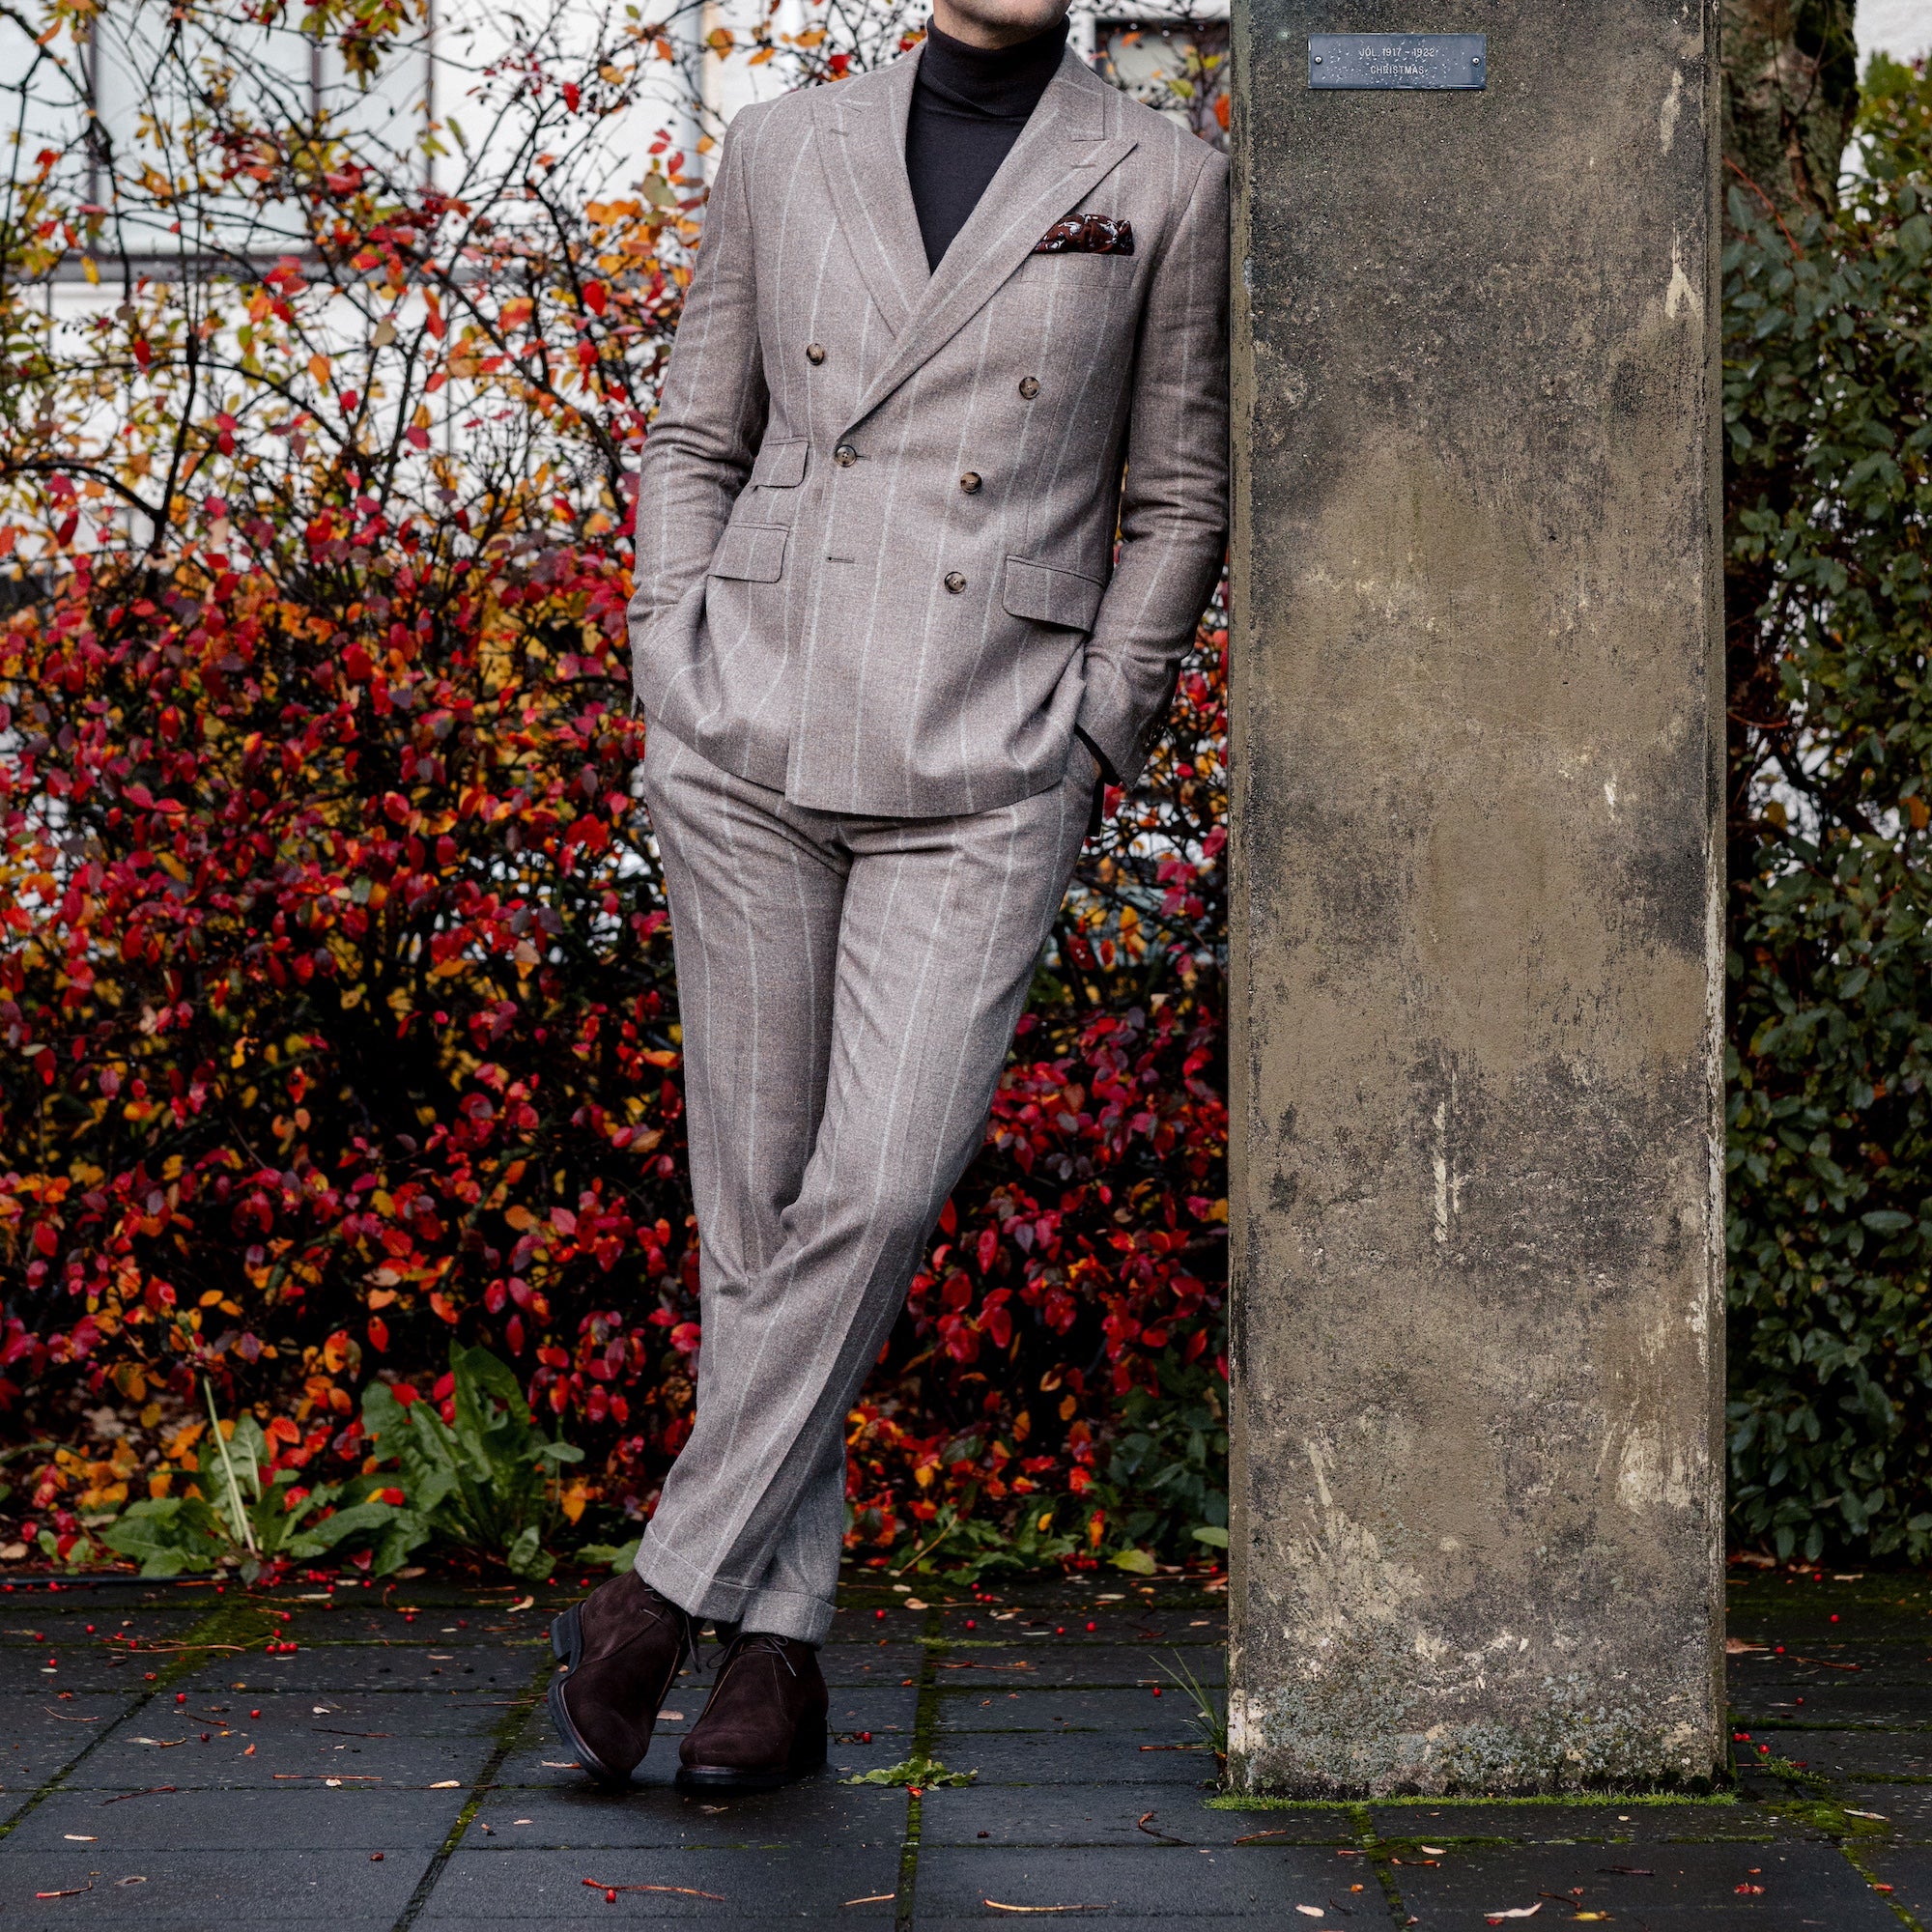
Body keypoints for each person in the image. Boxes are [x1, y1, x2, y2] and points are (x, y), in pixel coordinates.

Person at [548, 0, 1228, 1794]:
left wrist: (1098, 724)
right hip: (750, 724)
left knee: (881, 1183)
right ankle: (774, 1657)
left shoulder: (1164, 176)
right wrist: (670, 651)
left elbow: (1179, 496)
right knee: (757, 1208)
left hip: (987, 753)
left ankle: (655, 1594)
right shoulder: (782, 146)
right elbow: (695, 434)